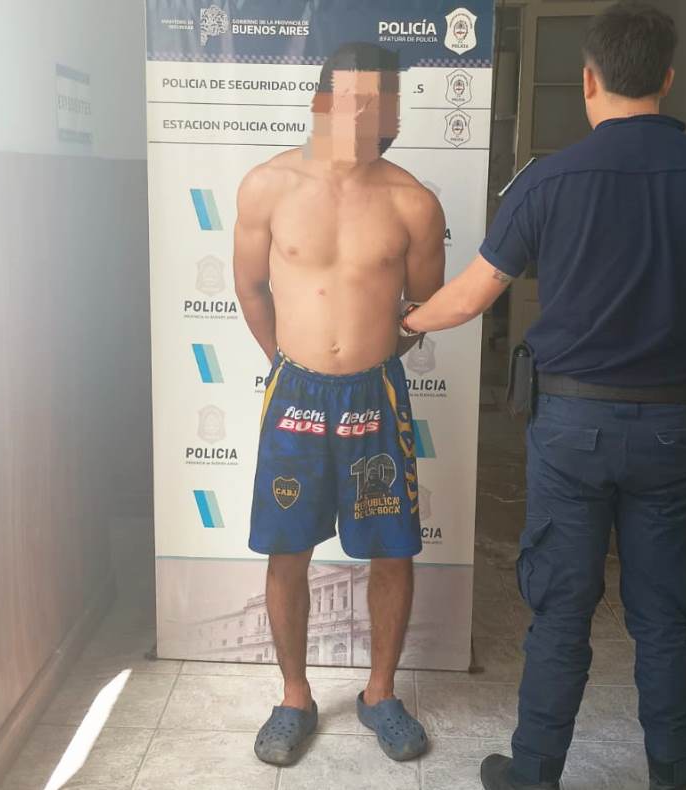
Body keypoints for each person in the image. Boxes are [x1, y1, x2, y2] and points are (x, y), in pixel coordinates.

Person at [400, 3, 686, 789]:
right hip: (674, 430)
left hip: (569, 429)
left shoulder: (545, 180)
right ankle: (674, 776)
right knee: (665, 616)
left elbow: (469, 298)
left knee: (560, 609)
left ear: (587, 81)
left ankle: (533, 774)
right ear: (666, 78)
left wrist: (401, 322)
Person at [233, 41, 445, 766]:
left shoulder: (413, 202)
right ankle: (294, 696)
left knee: (391, 549)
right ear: (321, 101)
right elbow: (250, 288)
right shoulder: (267, 186)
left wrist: (366, 359)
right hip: (293, 390)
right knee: (287, 547)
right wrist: (288, 364)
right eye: (350, 99)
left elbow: (421, 309)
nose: (362, 116)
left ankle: (379, 694)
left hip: (375, 393)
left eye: (377, 103)